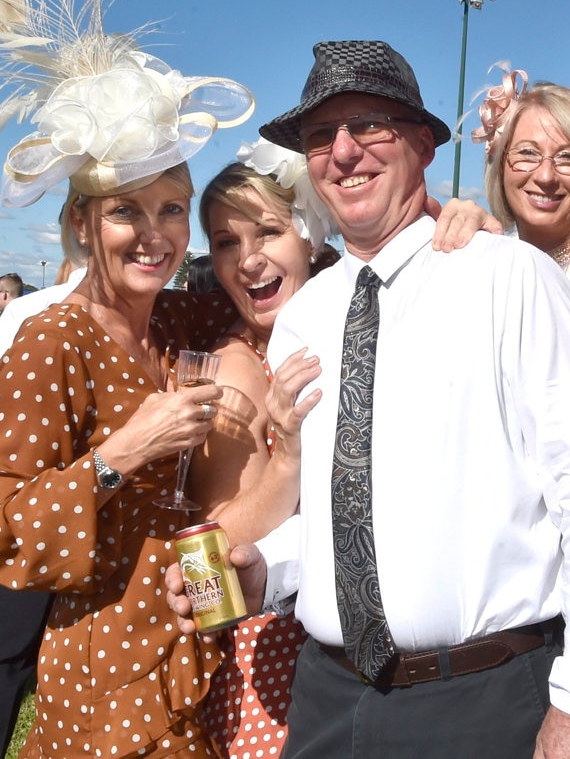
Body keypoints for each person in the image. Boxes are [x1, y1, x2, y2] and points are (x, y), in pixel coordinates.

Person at [169, 39, 570, 759]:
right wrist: (265, 569)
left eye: (370, 125)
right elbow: (348, 508)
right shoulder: (306, 317)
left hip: (483, 701)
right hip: (329, 700)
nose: (343, 151)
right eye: (319, 136)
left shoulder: (507, 278)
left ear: (424, 145)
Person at [0, 0, 254, 753]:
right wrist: (120, 455)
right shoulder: (51, 341)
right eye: (129, 211)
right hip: (102, 685)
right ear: (85, 222)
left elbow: (281, 283)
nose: (156, 235)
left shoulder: (182, 323)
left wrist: (448, 210)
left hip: (198, 644)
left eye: (173, 209)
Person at [188, 151, 331, 758]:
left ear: (310, 236)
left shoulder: (334, 327)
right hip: (275, 669)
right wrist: (287, 459)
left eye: (267, 231)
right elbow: (208, 561)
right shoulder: (234, 370)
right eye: (225, 242)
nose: (247, 260)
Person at [0, 238, 85, 759]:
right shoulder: (36, 312)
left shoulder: (153, 316)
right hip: (38, 507)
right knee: (10, 652)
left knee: (66, 653)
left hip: (105, 515)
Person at [473, 71, 570, 357]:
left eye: (568, 157)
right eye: (527, 153)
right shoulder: (477, 263)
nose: (546, 176)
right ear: (500, 164)